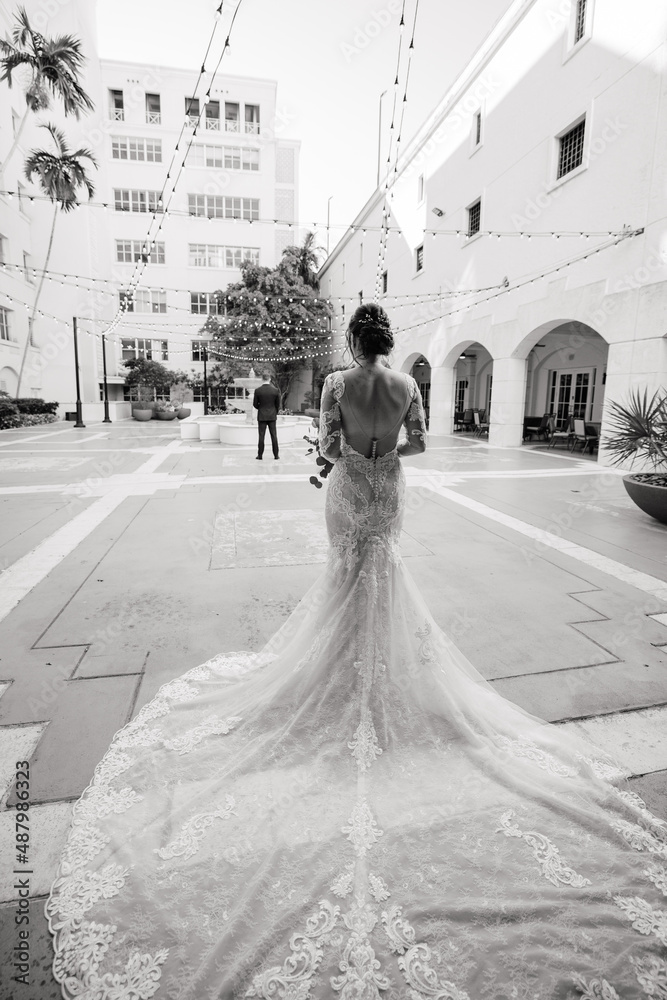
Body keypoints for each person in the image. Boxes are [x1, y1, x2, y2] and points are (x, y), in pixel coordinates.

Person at [46, 303, 666, 999]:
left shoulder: (339, 383)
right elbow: (420, 449)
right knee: (383, 572)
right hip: (389, 487)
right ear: (388, 343)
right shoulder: (406, 385)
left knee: (344, 571)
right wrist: (384, 457)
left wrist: (341, 460)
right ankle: (378, 666)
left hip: (347, 488)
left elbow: (326, 445)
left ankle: (339, 670)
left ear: (350, 341)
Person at [252, 370, 281, 460]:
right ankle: (276, 455)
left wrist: (261, 408)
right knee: (274, 436)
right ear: (270, 378)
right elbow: (278, 404)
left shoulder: (257, 390)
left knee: (261, 436)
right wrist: (274, 411)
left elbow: (255, 404)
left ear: (262, 379)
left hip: (262, 416)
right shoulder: (275, 390)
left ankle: (260, 455)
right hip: (272, 416)